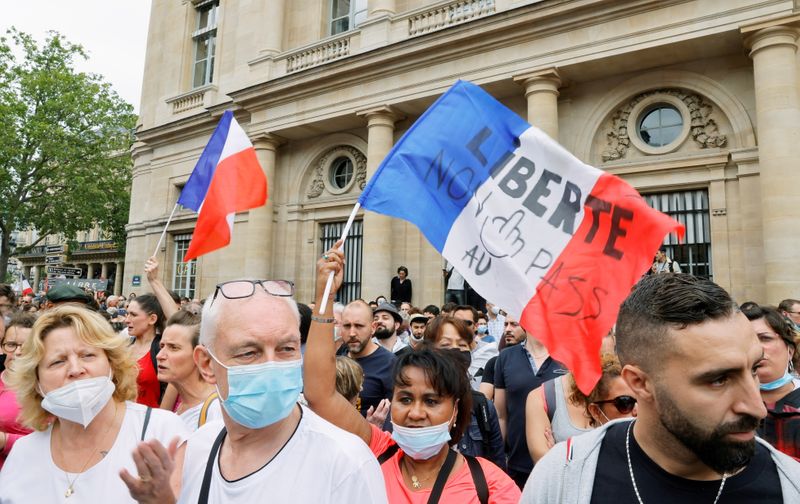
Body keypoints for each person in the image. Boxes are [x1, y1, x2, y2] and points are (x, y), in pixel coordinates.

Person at [521, 273, 800, 503]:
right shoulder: (565, 478)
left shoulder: (790, 487)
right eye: (718, 380)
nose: (756, 407)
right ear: (639, 384)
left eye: (753, 370)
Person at [305, 246, 520, 503]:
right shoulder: (377, 451)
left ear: (455, 410)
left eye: (431, 401)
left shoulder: (491, 486)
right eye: (405, 399)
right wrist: (325, 295)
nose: (415, 413)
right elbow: (320, 393)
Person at [165, 279, 387, 503]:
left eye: (286, 349)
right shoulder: (197, 449)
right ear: (206, 364)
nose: (271, 366)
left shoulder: (346, 465)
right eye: (249, 352)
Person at [0, 306, 187, 503]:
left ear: (112, 364)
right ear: (36, 382)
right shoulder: (24, 452)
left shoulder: (160, 431)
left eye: (87, 355)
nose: (75, 369)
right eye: (57, 362)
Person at [422, 315, 506, 471]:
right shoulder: (416, 404)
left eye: (462, 344)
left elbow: (498, 469)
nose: (456, 350)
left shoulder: (482, 406)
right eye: (446, 344)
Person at [494, 315, 566, 489]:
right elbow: (501, 415)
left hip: (560, 462)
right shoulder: (506, 357)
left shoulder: (567, 357)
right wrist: (498, 460)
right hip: (516, 464)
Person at [525, 353, 635, 463]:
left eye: (606, 335)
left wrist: (561, 456)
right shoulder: (543, 396)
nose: (636, 410)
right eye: (624, 403)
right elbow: (545, 465)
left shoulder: (629, 383)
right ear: (595, 411)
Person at [742, 304, 800, 458]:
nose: (757, 348)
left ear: (790, 351)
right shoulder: (726, 405)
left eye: (765, 338)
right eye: (747, 340)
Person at [155, 310, 222, 431]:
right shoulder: (184, 407)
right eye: (162, 346)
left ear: (200, 356)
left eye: (173, 348)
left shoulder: (216, 411)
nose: (159, 355)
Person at [341, 300, 396, 418]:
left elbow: (395, 411)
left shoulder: (390, 363)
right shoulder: (336, 360)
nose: (352, 333)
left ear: (373, 328)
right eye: (347, 326)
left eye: (359, 326)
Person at [0, 313, 35, 469]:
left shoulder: (45, 389)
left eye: (26, 346)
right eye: (11, 344)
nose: (18, 352)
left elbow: (54, 444)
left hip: (20, 479)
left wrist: (4, 441)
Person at [125, 294, 166, 407]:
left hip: (151, 420)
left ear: (152, 319)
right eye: (127, 314)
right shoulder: (123, 347)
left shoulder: (161, 350)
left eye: (133, 315)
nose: (126, 320)